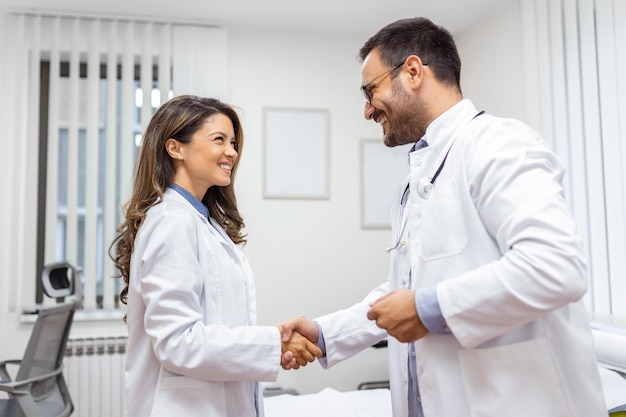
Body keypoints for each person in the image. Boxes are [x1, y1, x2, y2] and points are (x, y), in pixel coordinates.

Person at [281, 17, 608, 417]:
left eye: (370, 90)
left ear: (414, 71)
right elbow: (405, 288)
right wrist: (327, 334)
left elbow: (556, 267)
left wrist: (426, 309)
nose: (367, 110)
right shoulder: (421, 174)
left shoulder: (497, 143)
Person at [110, 95, 322, 417]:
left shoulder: (199, 221)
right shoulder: (172, 222)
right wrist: (272, 344)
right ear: (175, 148)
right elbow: (178, 342)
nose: (232, 152)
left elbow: (219, 325)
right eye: (219, 140)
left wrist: (271, 342)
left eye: (233, 142)